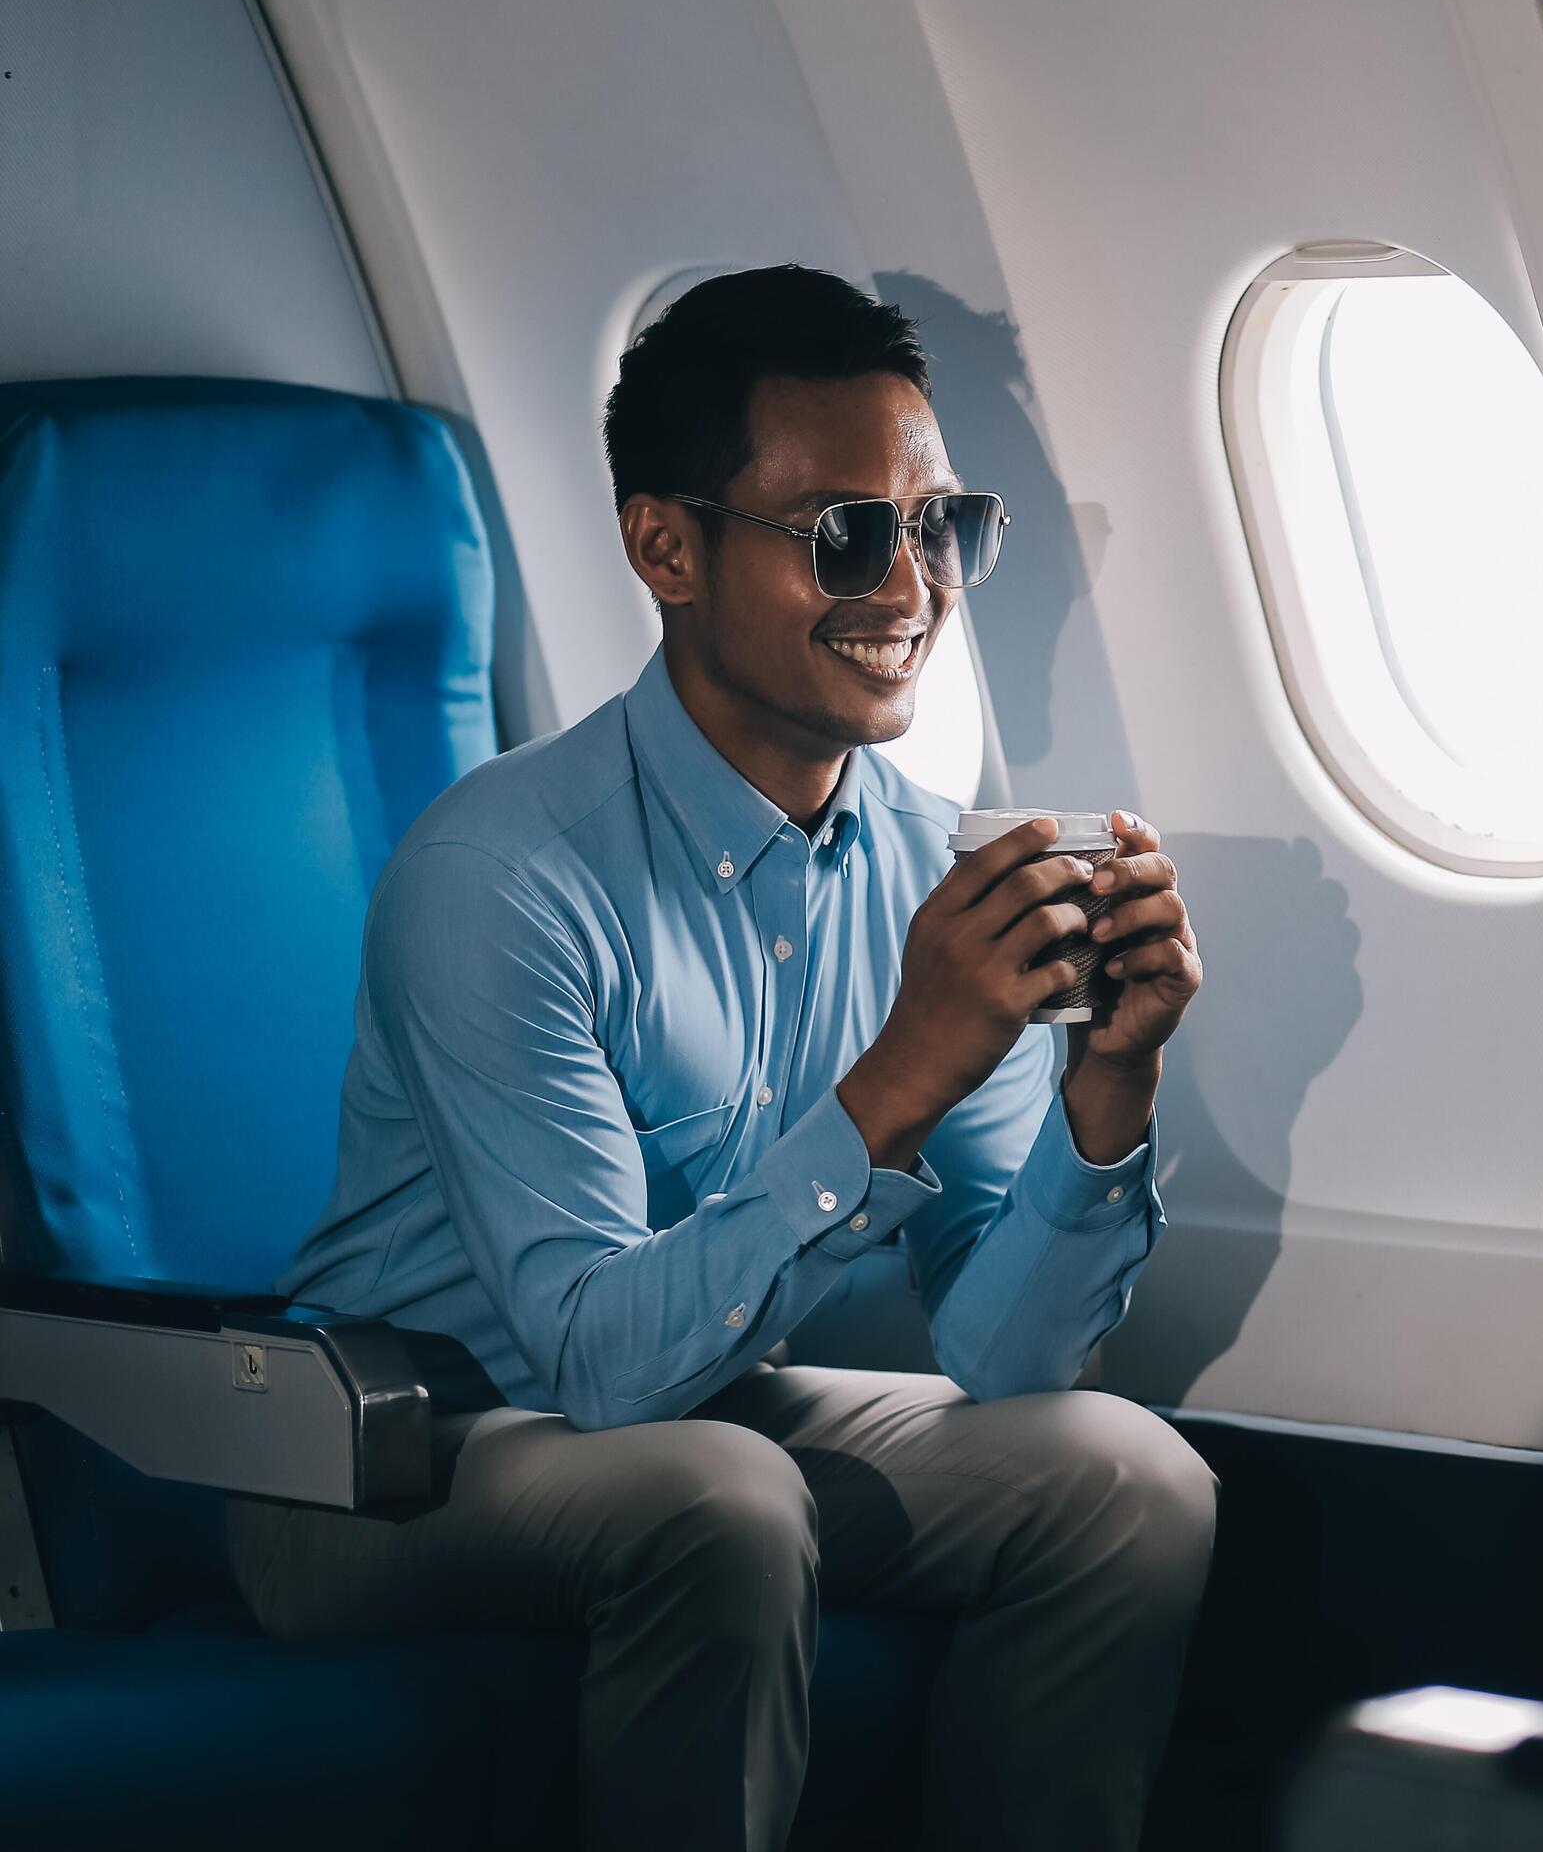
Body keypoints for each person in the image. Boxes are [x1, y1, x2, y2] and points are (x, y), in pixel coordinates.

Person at [226, 265, 1214, 1851]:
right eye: (845, 534)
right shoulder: (503, 876)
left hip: (699, 1417)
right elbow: (593, 1367)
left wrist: (1111, 1092)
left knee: (1126, 1480)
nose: (911, 587)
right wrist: (906, 1069)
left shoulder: (917, 863)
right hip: (390, 1462)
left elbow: (1009, 1368)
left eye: (938, 528)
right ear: (665, 548)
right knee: (721, 1499)